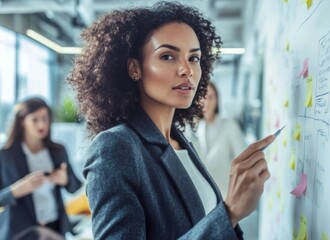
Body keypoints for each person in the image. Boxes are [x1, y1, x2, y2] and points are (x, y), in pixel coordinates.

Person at [68, 2, 275, 239]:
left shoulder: (179, 140)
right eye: (168, 56)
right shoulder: (115, 147)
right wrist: (229, 213)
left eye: (194, 58)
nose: (187, 70)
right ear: (134, 68)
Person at [0, 97, 82, 239]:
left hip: (55, 228)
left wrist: (65, 180)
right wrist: (17, 190)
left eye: (45, 118)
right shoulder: (6, 155)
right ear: (22, 122)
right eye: (35, 119)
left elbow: (75, 187)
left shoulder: (58, 151)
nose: (42, 124)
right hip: (20, 231)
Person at [197, 82, 245, 198]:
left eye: (211, 97)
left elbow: (243, 160)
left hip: (227, 194)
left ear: (217, 99)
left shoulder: (230, 125)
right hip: (205, 196)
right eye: (203, 96)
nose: (207, 101)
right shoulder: (196, 129)